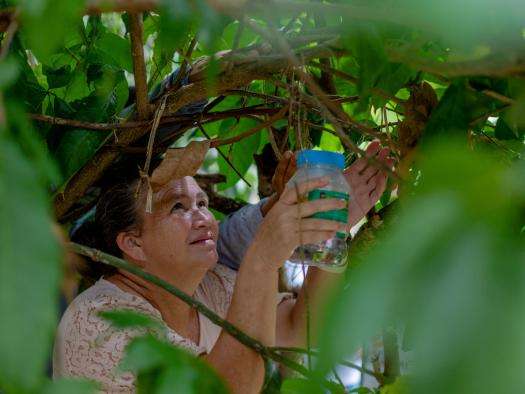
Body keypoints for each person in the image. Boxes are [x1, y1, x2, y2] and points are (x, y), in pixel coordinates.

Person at [53, 142, 392, 393]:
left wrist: (332, 235)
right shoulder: (99, 320)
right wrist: (261, 259)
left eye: (202, 202)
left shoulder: (210, 288)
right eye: (178, 207)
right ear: (133, 243)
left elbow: (302, 326)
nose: (204, 217)